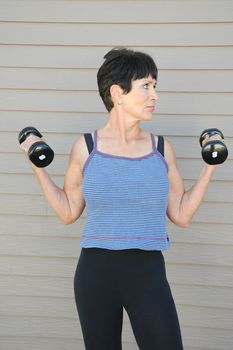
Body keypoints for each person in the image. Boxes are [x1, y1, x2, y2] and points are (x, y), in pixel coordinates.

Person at [20, 48, 219, 350]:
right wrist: (38, 169)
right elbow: (68, 212)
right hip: (95, 273)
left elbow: (181, 215)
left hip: (147, 272)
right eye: (146, 86)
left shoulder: (161, 149)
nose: (155, 95)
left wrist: (209, 168)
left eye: (155, 86)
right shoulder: (86, 148)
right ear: (118, 93)